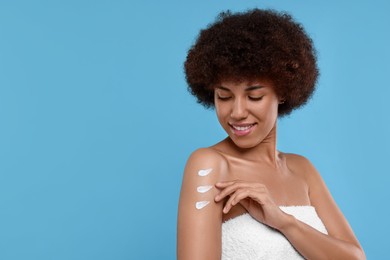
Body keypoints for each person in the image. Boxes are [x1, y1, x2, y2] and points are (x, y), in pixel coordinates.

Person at [177, 8, 365, 260]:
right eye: (224, 96)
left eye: (254, 96)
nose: (237, 112)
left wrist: (283, 221)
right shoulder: (210, 165)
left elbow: (355, 257)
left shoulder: (302, 169)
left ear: (284, 91)